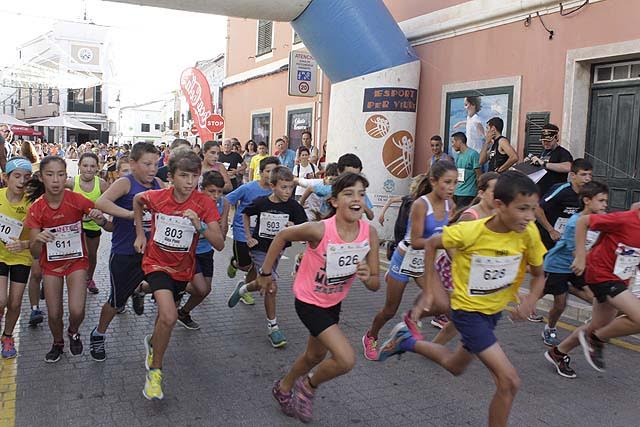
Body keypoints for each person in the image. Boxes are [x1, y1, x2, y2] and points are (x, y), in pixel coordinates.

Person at [377, 171, 546, 427]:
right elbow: (432, 243)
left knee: (455, 365)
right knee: (509, 381)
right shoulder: (470, 231)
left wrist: (531, 298)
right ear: (499, 205)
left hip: (493, 313)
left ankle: (406, 341)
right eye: (522, 209)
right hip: (468, 313)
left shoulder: (528, 232)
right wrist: (432, 290)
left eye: (533, 209)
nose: (529, 217)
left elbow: (539, 275)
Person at [262, 173, 380, 422]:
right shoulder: (319, 230)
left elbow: (375, 284)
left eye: (361, 193)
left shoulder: (369, 234)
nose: (356, 199)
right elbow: (282, 236)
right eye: (349, 193)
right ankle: (308, 387)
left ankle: (283, 387)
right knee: (346, 359)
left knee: (315, 356)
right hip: (308, 301)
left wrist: (366, 275)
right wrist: (265, 273)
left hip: (332, 302)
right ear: (335, 201)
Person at [133, 149, 224, 400]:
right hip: (156, 264)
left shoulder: (204, 203)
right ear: (171, 176)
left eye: (194, 176)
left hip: (183, 269)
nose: (189, 182)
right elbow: (138, 201)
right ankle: (155, 373)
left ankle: (152, 343)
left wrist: (200, 226)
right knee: (170, 316)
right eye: (183, 176)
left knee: (165, 320)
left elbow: (219, 243)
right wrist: (140, 234)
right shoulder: (158, 197)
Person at [362, 162, 456, 360]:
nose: (451, 187)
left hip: (426, 260)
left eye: (455, 183)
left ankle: (412, 317)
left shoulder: (451, 205)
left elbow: (447, 239)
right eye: (447, 182)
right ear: (433, 181)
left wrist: (458, 260)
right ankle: (371, 336)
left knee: (442, 304)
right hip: (405, 258)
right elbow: (416, 240)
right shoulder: (421, 204)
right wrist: (443, 241)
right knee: (389, 310)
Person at [25, 156, 109, 363]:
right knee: (54, 314)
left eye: (61, 175)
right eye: (50, 175)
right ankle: (57, 342)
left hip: (76, 262)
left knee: (77, 309)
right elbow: (35, 253)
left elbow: (108, 226)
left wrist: (101, 219)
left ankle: (73, 331)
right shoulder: (36, 209)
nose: (55, 180)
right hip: (51, 265)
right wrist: (39, 239)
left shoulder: (76, 200)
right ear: (42, 177)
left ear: (66, 177)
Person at [545, 204, 640, 379]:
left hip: (619, 279)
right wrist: (581, 255)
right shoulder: (625, 219)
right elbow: (583, 222)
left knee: (596, 326)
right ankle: (598, 339)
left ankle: (558, 353)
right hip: (601, 275)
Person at [89, 142, 163, 362]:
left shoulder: (158, 183)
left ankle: (140, 293)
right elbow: (100, 202)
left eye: (156, 164)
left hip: (153, 253)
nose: (152, 169)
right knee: (116, 302)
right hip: (124, 253)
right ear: (133, 163)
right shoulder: (125, 182)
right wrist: (131, 214)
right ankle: (98, 333)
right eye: (147, 164)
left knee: (166, 294)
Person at [227, 166, 307, 347]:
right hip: (260, 250)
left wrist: (293, 226)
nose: (288, 192)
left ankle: (243, 289)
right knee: (271, 287)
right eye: (283, 187)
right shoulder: (261, 202)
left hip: (278, 251)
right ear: (272, 186)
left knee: (264, 282)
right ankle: (273, 328)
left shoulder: (293, 206)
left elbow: (304, 228)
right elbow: (245, 214)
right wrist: (248, 237)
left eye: (290, 188)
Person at [538, 181, 606, 348]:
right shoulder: (575, 223)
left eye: (605, 201)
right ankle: (550, 328)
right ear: (587, 201)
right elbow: (576, 251)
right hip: (559, 265)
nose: (605, 204)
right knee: (560, 304)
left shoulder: (600, 220)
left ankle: (594, 328)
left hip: (578, 265)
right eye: (601, 200)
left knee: (595, 298)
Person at [177, 170, 229, 330]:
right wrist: (205, 229)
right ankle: (170, 283)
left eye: (219, 192)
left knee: (205, 291)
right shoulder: (192, 202)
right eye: (211, 191)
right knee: (200, 288)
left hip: (206, 251)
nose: (216, 195)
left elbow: (222, 229)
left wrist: (218, 231)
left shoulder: (224, 203)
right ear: (202, 188)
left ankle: (184, 312)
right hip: (189, 252)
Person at [225, 157, 280, 304]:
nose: (271, 174)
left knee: (257, 266)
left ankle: (243, 289)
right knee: (245, 265)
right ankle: (235, 263)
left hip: (261, 235)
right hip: (242, 231)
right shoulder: (248, 188)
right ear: (261, 172)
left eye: (274, 171)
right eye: (268, 171)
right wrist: (222, 220)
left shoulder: (277, 191)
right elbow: (227, 200)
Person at [0, 158, 34, 358]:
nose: (22, 181)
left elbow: (39, 238)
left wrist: (24, 244)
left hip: (21, 257)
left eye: (27, 177)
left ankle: (7, 336)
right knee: (1, 300)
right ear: (6, 178)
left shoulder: (32, 204)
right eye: (17, 176)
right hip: (0, 257)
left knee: (14, 302)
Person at [67, 153, 109, 294]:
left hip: (93, 226)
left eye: (92, 166)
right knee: (78, 256)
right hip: (76, 228)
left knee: (92, 255)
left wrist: (102, 213)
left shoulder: (101, 184)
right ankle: (74, 280)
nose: (88, 169)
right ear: (79, 166)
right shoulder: (72, 182)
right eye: (85, 165)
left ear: (97, 168)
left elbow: (111, 201)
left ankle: (89, 278)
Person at [535, 158, 593, 251]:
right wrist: (551, 230)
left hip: (566, 239)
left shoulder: (588, 193)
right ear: (573, 175)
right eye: (583, 174)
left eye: (590, 175)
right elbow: (537, 208)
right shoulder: (562, 189)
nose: (587, 178)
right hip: (547, 236)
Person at [529, 124, 573, 196]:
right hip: (540, 192)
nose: (546, 143)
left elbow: (568, 167)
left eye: (549, 140)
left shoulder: (563, 152)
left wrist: (544, 164)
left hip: (556, 193)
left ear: (556, 138)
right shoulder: (543, 152)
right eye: (543, 141)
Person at [337, 154, 375, 220]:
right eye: (348, 175)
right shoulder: (331, 190)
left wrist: (362, 204)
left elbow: (371, 216)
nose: (352, 179)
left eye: (356, 176)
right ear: (339, 172)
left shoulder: (359, 193)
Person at [452, 132, 481, 208]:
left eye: (453, 142)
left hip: (468, 194)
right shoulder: (458, 156)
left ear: (459, 141)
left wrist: (478, 192)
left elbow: (478, 175)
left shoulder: (473, 154)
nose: (452, 145)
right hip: (457, 193)